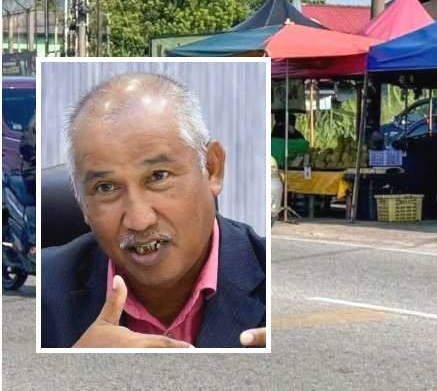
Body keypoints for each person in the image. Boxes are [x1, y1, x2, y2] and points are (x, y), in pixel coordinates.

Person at [40, 73, 267, 349]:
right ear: (83, 205)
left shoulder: (272, 282)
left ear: (212, 169)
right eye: (106, 188)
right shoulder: (46, 292)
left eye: (158, 176)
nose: (138, 220)